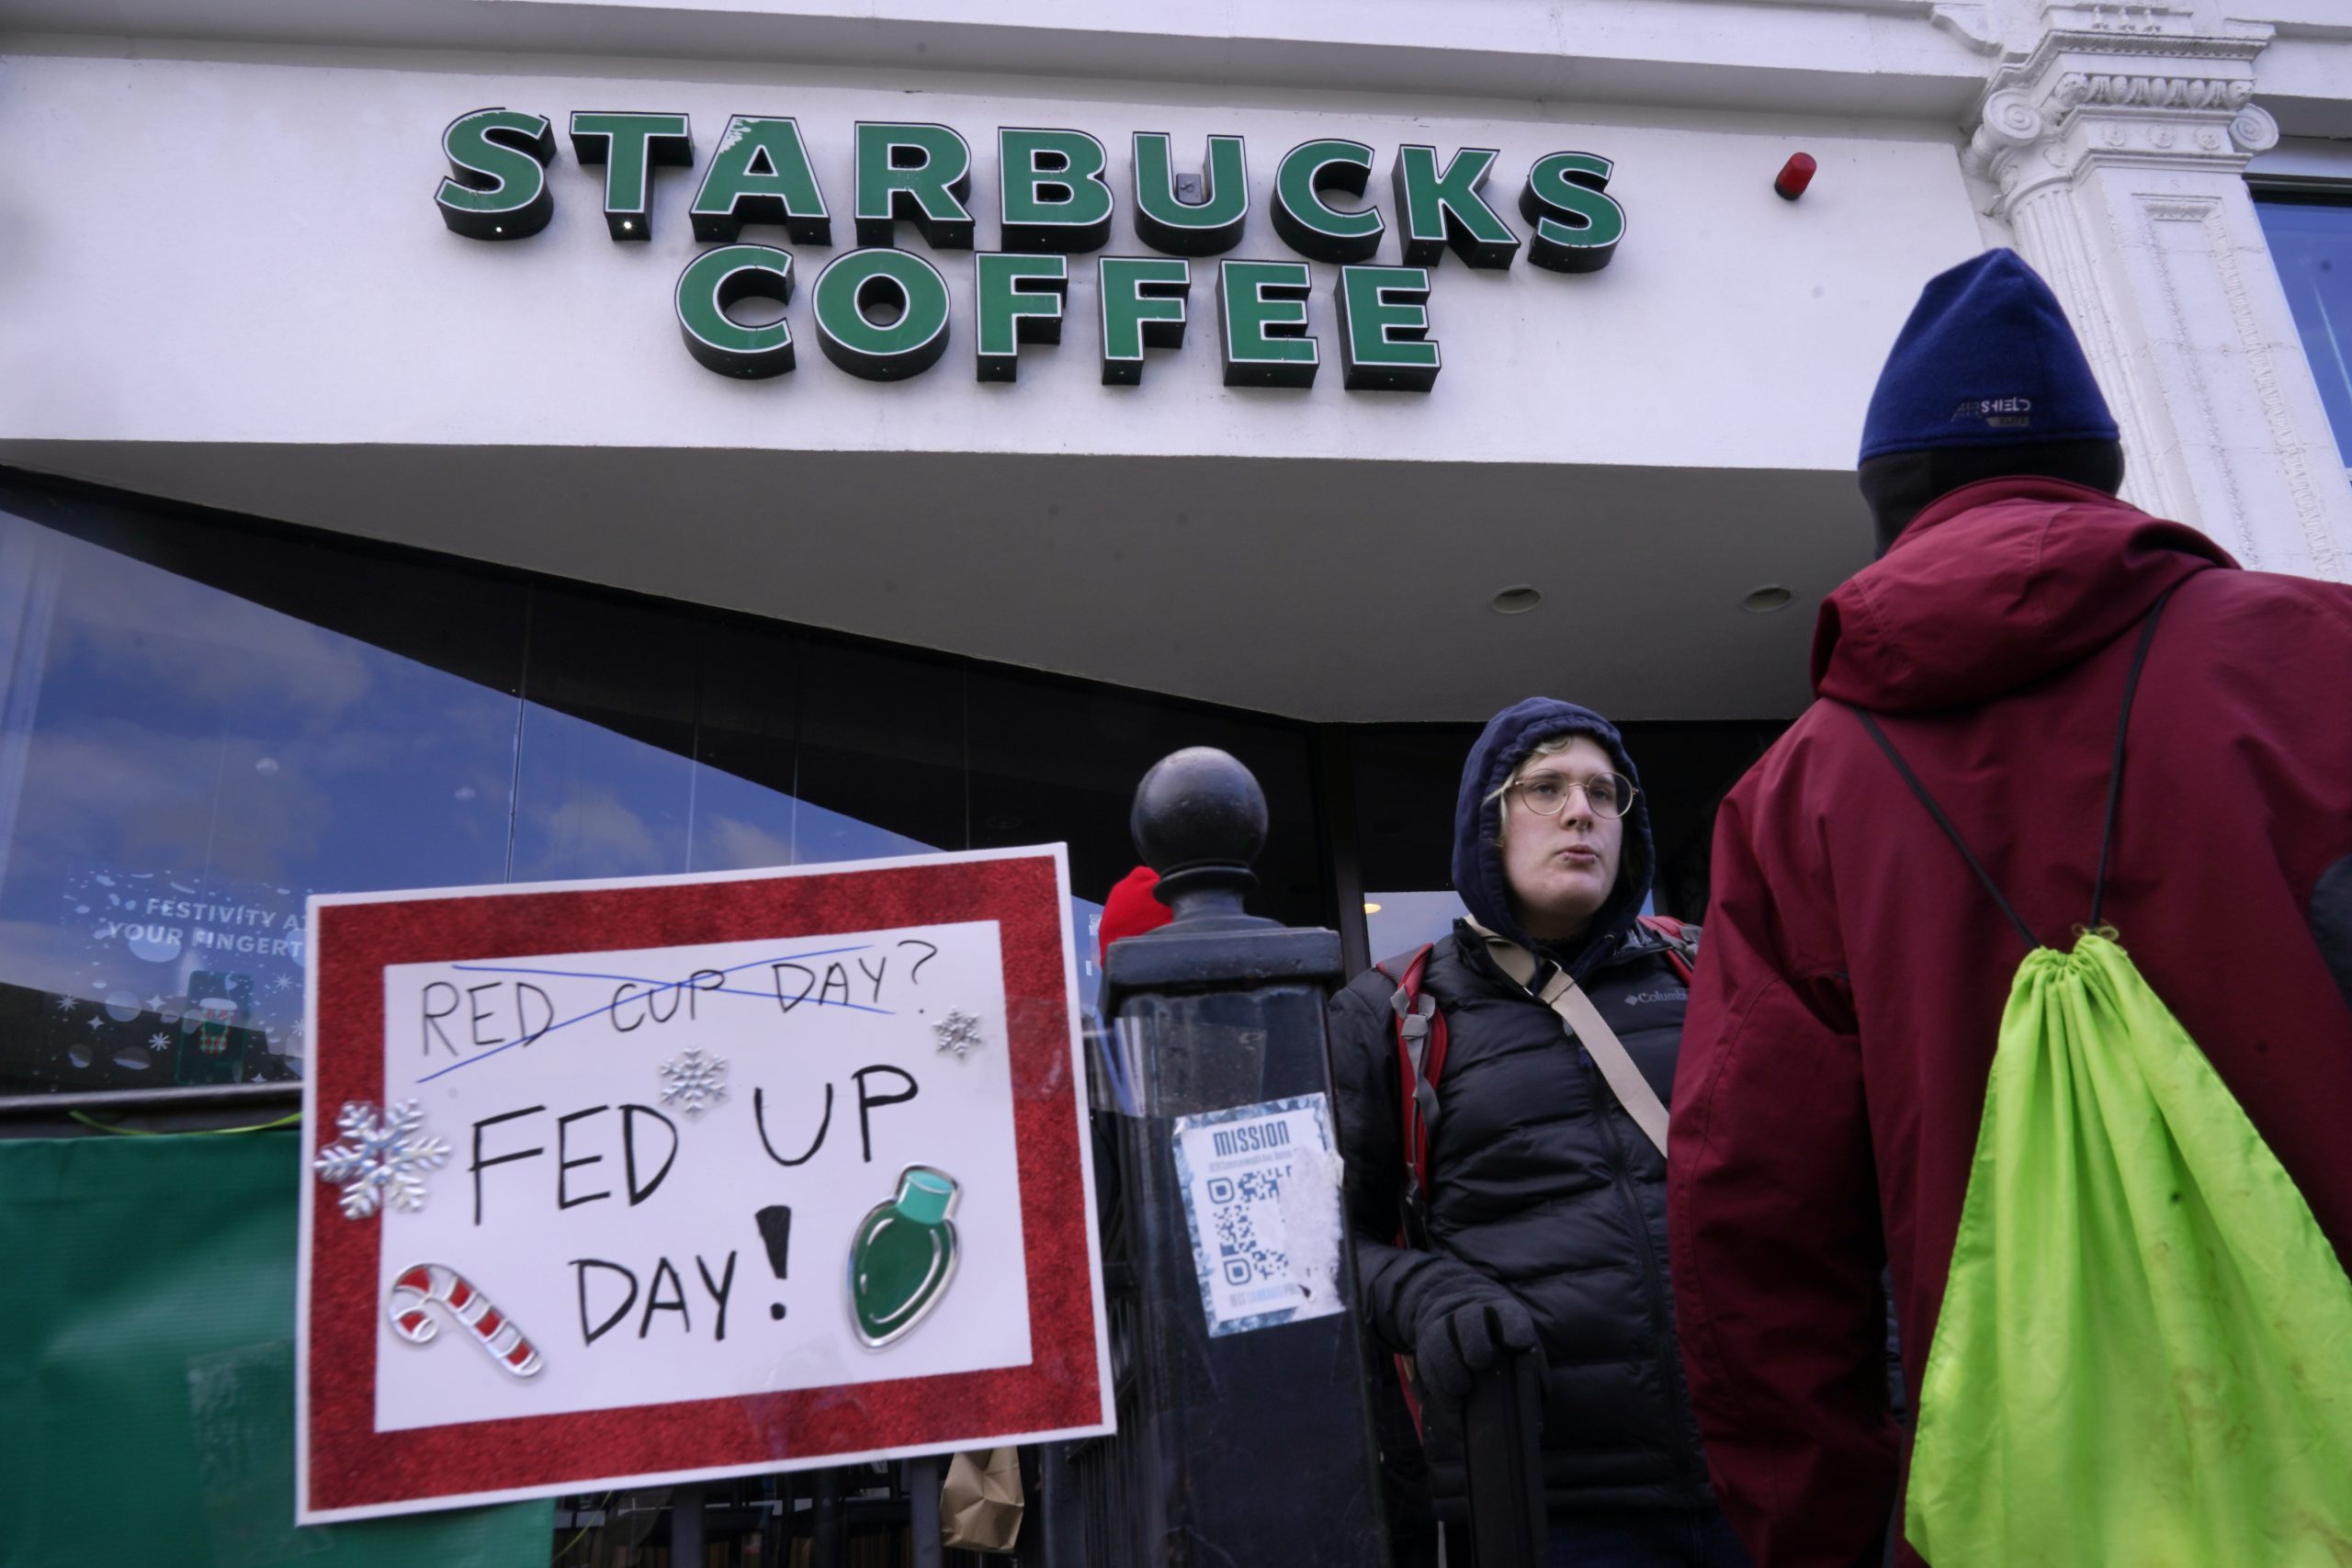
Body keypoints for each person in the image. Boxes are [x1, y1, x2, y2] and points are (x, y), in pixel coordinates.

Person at [1667, 249, 2352, 1566]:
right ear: (2098, 467)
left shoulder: (1794, 801)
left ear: (1892, 497)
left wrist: (1824, 1535)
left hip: (2018, 1509)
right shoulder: (2322, 660)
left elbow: (1753, 1232)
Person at [1329, 697, 1748, 1567]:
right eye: (1545, 787)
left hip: (1766, 1470)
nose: (1580, 811)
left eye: (1603, 791)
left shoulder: (1708, 970)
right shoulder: (1393, 1012)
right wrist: (1427, 1296)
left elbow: (1818, 1196)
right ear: (1487, 823)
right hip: (1547, 1502)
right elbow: (1327, 1248)